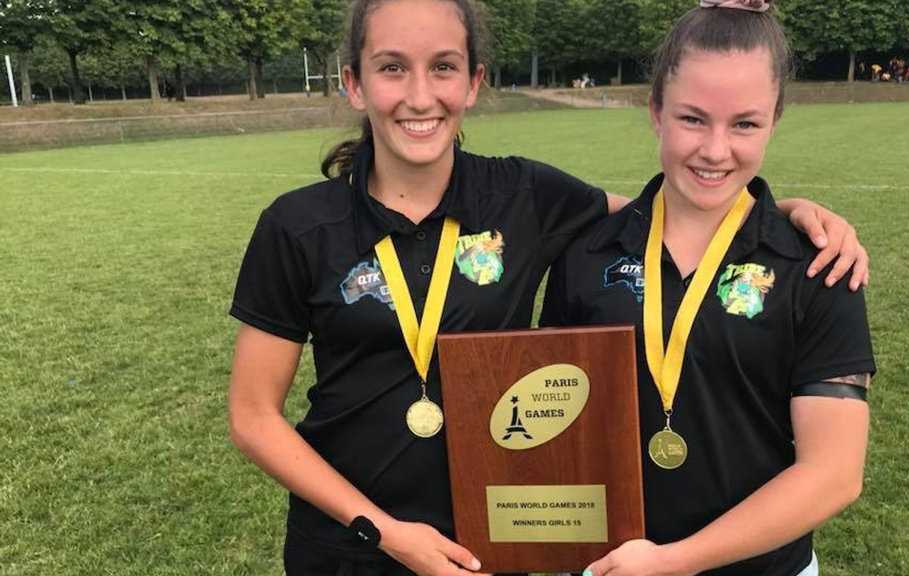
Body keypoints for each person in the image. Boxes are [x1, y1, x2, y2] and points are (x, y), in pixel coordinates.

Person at [227, 1, 869, 575]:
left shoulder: (526, 198)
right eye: (392, 67)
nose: (420, 96)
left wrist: (783, 214)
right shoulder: (298, 225)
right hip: (349, 550)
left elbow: (687, 204)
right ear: (353, 83)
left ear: (474, 82)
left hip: (483, 548)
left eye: (444, 67)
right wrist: (386, 534)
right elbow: (253, 415)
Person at [541, 2, 874, 575]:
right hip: (609, 566)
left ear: (775, 119)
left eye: (745, 124)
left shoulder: (819, 265)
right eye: (693, 119)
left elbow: (834, 475)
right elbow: (556, 417)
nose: (716, 151)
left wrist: (674, 562)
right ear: (655, 111)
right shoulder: (586, 252)